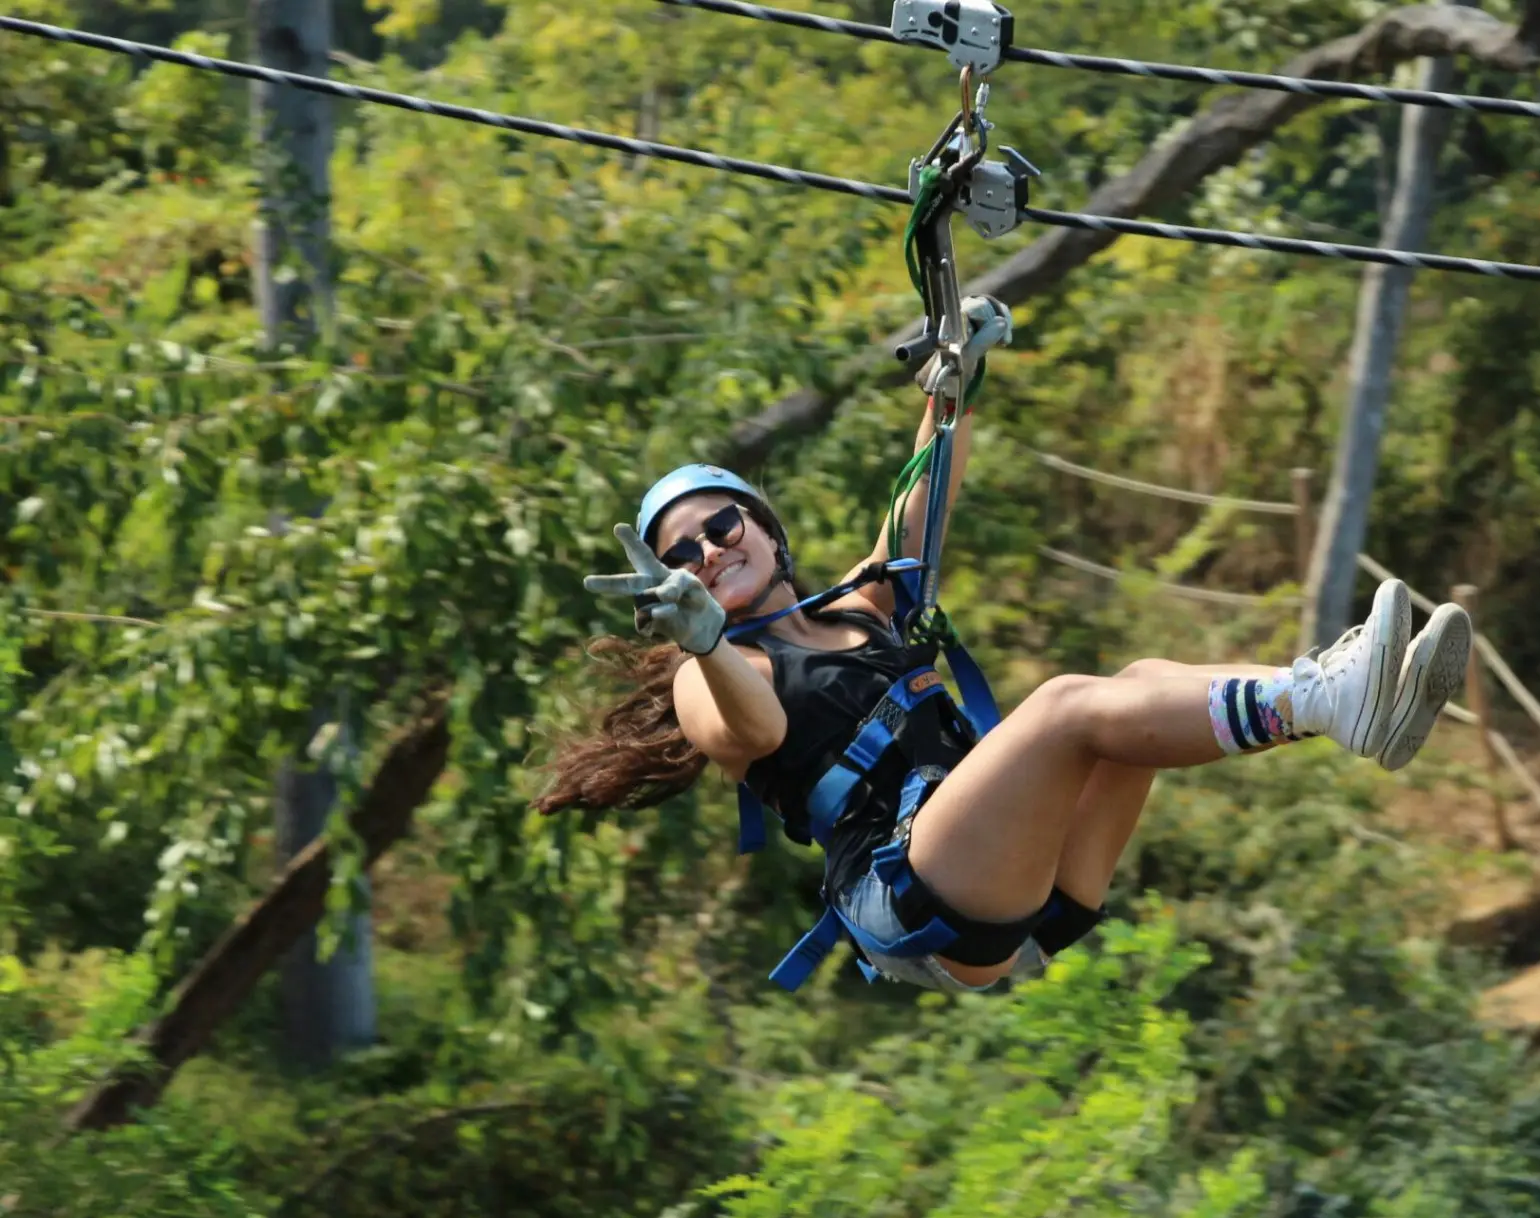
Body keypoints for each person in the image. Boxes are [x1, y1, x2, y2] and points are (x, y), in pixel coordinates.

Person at [536, 296, 1472, 992]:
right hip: (916, 895)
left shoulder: (862, 606)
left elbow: (917, 509)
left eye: (724, 524)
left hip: (1030, 878)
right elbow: (742, 727)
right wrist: (701, 642)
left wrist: (957, 384)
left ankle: (1354, 712)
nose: (711, 549)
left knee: (1140, 686)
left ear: (768, 529)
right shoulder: (721, 679)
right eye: (685, 554)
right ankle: (1325, 695)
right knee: (1067, 705)